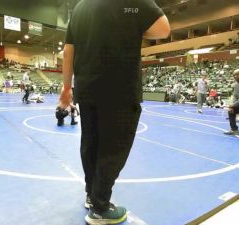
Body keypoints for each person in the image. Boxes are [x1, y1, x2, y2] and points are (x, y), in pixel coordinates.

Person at [58, 1, 170, 224]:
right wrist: (131, 23)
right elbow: (163, 29)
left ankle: (92, 196)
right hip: (119, 87)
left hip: (87, 87)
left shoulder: (80, 7)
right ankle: (100, 208)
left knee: (91, 144)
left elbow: (68, 50)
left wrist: (67, 87)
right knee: (114, 148)